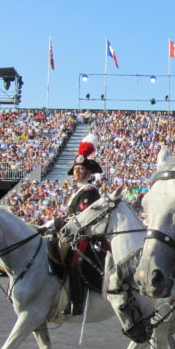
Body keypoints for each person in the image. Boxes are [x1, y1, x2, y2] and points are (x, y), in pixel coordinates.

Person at [60, 134, 105, 316]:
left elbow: (82, 216)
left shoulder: (89, 190)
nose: (77, 172)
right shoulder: (79, 190)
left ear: (88, 173)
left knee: (72, 258)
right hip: (73, 232)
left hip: (84, 234)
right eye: (76, 169)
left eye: (80, 169)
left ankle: (76, 302)